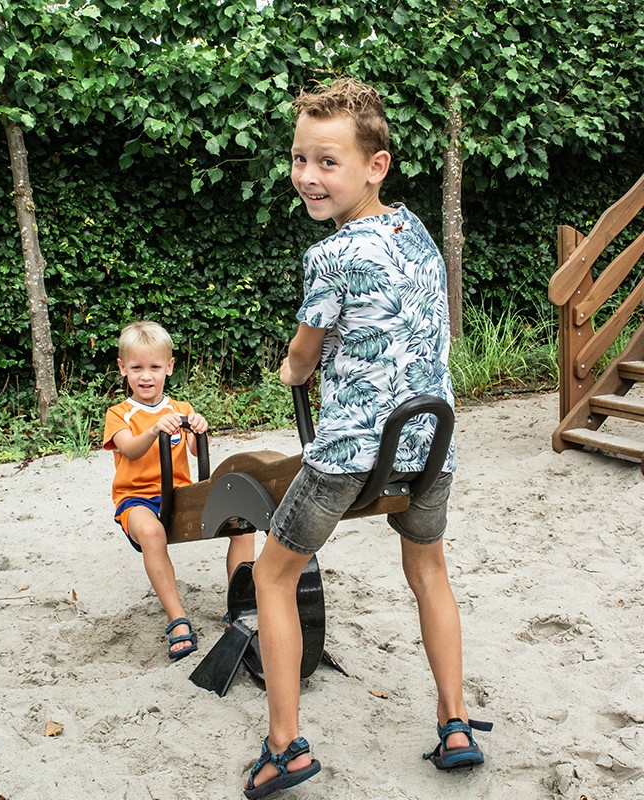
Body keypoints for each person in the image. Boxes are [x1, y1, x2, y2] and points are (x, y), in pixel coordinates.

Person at [243, 78, 490, 799]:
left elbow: (303, 357)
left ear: (375, 165)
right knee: (429, 570)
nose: (308, 176)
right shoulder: (417, 234)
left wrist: (290, 369)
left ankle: (283, 746)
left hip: (351, 454)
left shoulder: (332, 255)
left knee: (272, 575)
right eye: (300, 159)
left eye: (328, 161)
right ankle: (454, 722)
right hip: (431, 445)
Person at [103, 321, 255, 661]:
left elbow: (197, 452)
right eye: (137, 368)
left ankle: (241, 604)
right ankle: (177, 617)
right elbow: (129, 449)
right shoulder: (119, 414)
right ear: (122, 368)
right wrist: (154, 429)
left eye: (155, 367)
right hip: (138, 500)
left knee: (243, 522)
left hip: (180, 496)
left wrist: (199, 429)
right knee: (152, 533)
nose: (146, 377)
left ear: (169, 368)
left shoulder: (181, 409)